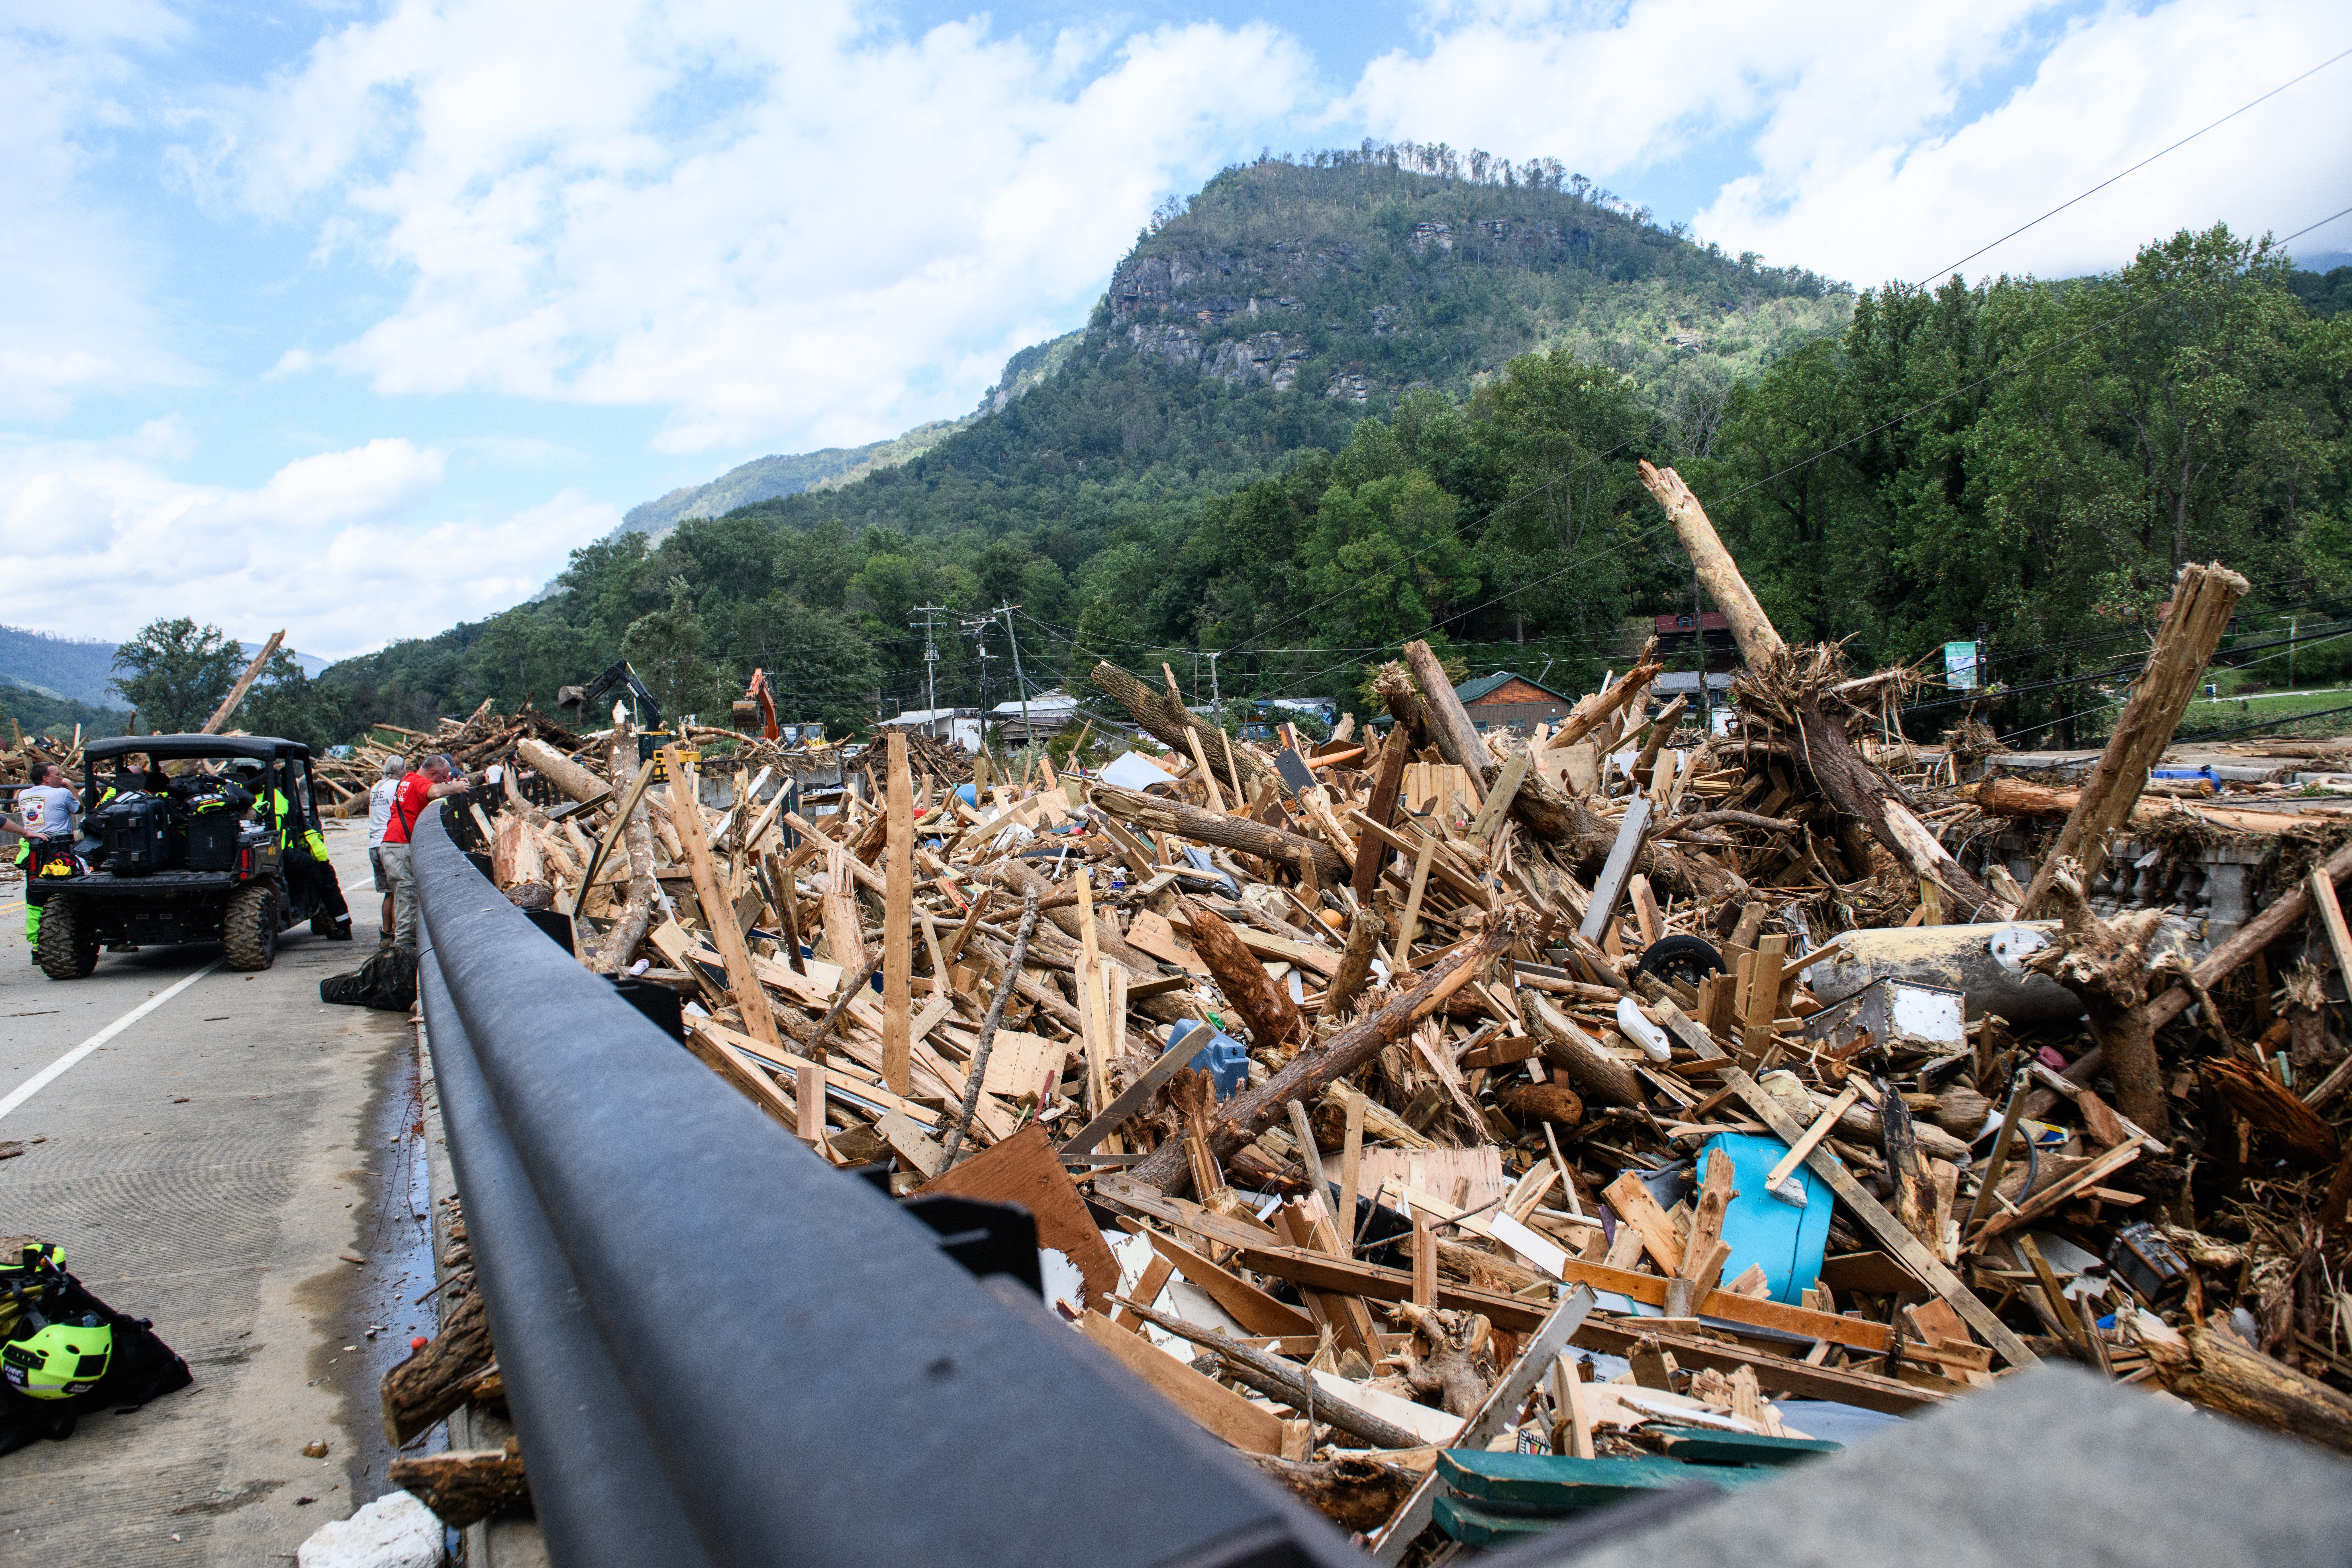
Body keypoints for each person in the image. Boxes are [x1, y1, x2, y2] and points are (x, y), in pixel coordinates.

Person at [377, 754, 469, 953]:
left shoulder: (408, 779)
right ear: (434, 774)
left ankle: (402, 944)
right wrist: (455, 788)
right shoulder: (419, 782)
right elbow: (435, 791)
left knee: (402, 895)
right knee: (408, 896)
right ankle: (405, 951)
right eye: (444, 777)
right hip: (400, 846)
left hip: (393, 844)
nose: (445, 781)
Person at [4, 761, 81, 956]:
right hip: (59, 851)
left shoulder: (23, 794)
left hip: (32, 850)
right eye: (58, 774)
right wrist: (70, 786)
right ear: (46, 778)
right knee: (68, 892)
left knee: (35, 897)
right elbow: (79, 809)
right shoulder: (62, 793)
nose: (61, 777)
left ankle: (37, 946)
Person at [366, 756, 405, 946]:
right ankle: (400, 937)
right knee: (398, 892)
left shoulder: (376, 787)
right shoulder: (398, 786)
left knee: (388, 893)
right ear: (402, 770)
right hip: (389, 843)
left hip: (374, 843)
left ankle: (386, 935)